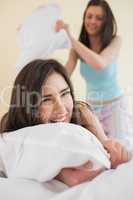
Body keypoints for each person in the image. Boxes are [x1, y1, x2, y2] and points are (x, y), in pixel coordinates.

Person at [0, 59, 130, 187]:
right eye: (46, 99)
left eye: (65, 93)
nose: (62, 109)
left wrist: (116, 158)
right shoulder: (12, 134)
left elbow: (107, 146)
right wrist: (59, 173)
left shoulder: (82, 113)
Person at [55, 0, 133, 145]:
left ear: (106, 21)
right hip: (92, 109)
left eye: (99, 17)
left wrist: (71, 39)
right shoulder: (77, 48)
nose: (92, 21)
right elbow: (65, 75)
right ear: (84, 17)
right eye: (89, 16)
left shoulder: (115, 41)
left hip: (115, 107)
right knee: (98, 149)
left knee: (121, 149)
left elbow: (99, 63)